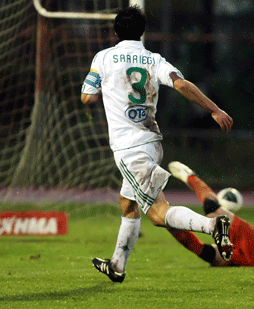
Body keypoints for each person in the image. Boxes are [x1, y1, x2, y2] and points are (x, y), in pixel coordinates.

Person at [80, 6, 234, 283]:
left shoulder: (103, 58)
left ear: (115, 31)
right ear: (142, 31)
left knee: (157, 214)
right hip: (151, 140)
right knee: (128, 203)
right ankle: (117, 264)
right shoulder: (154, 59)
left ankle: (213, 225)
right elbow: (181, 85)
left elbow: (86, 97)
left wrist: (108, 87)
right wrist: (214, 109)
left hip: (129, 149)